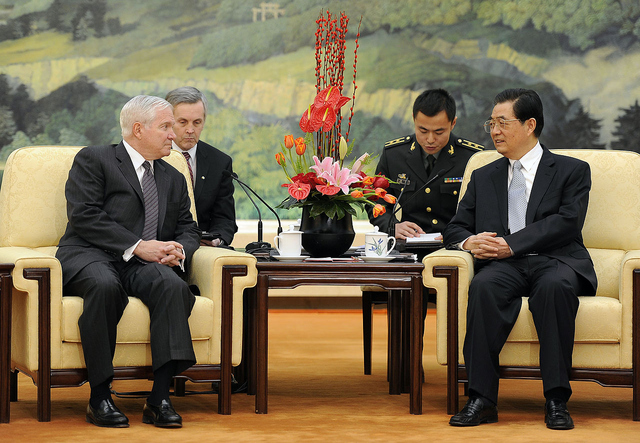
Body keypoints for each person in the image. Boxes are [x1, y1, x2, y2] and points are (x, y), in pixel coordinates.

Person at [444, 89, 597, 430]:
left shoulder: (571, 171)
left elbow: (567, 222)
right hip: (504, 267)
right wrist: (471, 241)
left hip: (555, 260)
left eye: (502, 122)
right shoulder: (484, 175)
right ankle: (481, 399)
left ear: (529, 125)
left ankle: (556, 400)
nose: (494, 131)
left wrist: (509, 245)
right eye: (491, 123)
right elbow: (455, 227)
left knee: (555, 288)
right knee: (483, 286)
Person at [56, 95, 201, 428]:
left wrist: (177, 249)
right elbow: (84, 215)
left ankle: (159, 398)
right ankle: (100, 397)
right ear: (139, 129)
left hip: (143, 263)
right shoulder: (95, 159)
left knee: (172, 286)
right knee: (105, 286)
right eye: (166, 126)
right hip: (91, 253)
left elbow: (188, 228)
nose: (173, 135)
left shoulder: (173, 177)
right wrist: (138, 246)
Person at [369, 88, 483, 240]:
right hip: (407, 246)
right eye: (422, 130)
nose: (430, 139)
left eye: (439, 132)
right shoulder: (394, 154)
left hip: (452, 248)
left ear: (453, 123)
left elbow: (483, 211)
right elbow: (375, 200)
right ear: (414, 119)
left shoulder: (472, 158)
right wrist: (392, 226)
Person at [165, 86, 237, 247]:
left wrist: (216, 241)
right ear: (168, 122)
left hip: (203, 249)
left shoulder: (220, 162)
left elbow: (225, 219)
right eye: (182, 122)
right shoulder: (154, 156)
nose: (190, 130)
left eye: (197, 122)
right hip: (160, 249)